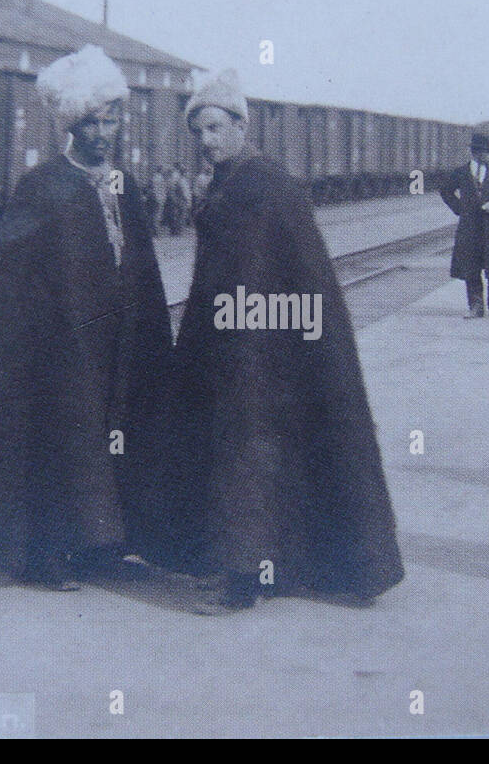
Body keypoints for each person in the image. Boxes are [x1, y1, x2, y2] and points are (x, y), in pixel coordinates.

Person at [0, 45, 172, 590]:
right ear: (70, 126)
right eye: (92, 123)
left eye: (111, 120)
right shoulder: (42, 185)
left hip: (117, 344)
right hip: (58, 348)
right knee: (63, 441)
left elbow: (139, 266)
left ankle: (104, 543)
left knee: (114, 436)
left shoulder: (123, 187)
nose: (104, 133)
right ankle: (45, 555)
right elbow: (11, 284)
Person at [161, 68, 404, 609]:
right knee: (242, 451)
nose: (207, 142)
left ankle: (243, 580)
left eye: (216, 129)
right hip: (235, 340)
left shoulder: (263, 183)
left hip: (261, 348)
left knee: (245, 451)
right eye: (198, 132)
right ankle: (253, 566)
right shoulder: (230, 183)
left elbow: (283, 271)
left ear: (242, 126)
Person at [439, 131, 489, 317]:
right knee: (471, 267)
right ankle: (476, 306)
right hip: (470, 227)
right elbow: (446, 191)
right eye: (488, 153)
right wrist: (460, 208)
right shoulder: (461, 173)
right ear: (476, 153)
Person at [164, 164, 191, 235]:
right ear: (184, 173)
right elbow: (185, 192)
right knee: (181, 216)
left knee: (177, 215)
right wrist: (188, 200)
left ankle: (176, 230)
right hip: (182, 200)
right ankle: (178, 230)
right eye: (187, 172)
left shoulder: (179, 180)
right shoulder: (182, 181)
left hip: (178, 199)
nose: (188, 174)